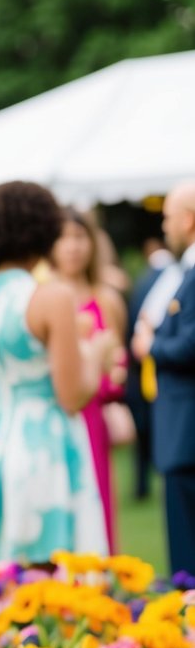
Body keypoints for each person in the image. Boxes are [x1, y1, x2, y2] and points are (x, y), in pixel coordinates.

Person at [0, 181, 115, 563]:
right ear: (43, 230)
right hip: (45, 448)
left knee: (1, 580)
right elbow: (72, 396)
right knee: (53, 578)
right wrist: (95, 353)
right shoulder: (51, 297)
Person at [49, 207, 128, 552]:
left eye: (79, 237)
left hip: (93, 415)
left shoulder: (106, 299)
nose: (72, 247)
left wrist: (111, 369)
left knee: (97, 500)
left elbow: (119, 364)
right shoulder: (44, 296)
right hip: (54, 417)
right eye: (64, 238)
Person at [132, 180, 195, 575]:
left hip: (187, 431)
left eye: (169, 217)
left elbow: (189, 347)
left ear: (189, 220)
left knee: (186, 555)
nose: (165, 227)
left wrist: (149, 345)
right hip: (181, 429)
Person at [125, 237, 175, 499]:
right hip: (157, 365)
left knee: (142, 428)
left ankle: (141, 485)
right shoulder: (170, 278)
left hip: (139, 365)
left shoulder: (142, 279)